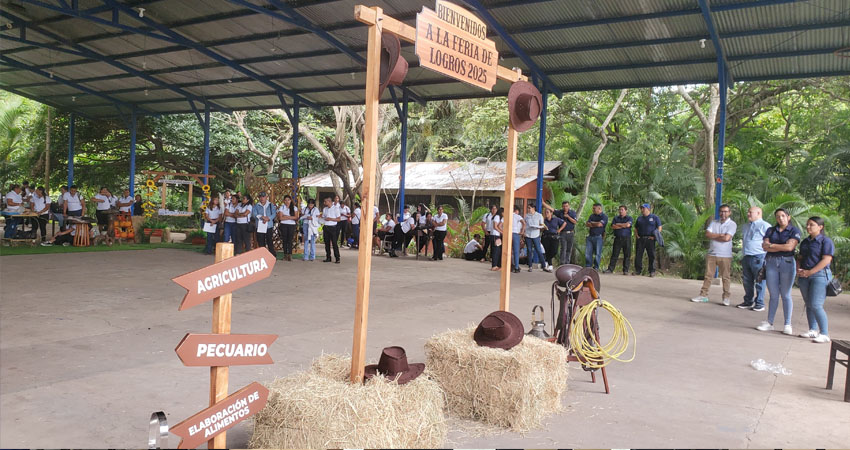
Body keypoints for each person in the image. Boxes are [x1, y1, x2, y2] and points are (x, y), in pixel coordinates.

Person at [756, 208, 801, 335]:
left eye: (783, 216)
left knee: (786, 294)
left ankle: (787, 323)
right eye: (778, 216)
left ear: (788, 217)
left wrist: (772, 245)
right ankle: (770, 322)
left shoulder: (794, 231)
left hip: (786, 262)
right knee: (773, 294)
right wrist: (776, 247)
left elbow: (790, 247)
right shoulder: (771, 230)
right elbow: (765, 246)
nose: (780, 218)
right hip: (771, 262)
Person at [796, 216, 835, 343]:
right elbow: (800, 257)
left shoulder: (825, 241)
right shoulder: (805, 242)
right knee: (808, 304)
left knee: (816, 304)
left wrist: (810, 272)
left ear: (820, 227)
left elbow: (826, 259)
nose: (808, 227)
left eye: (811, 225)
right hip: (804, 276)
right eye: (807, 224)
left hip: (820, 276)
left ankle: (824, 333)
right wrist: (799, 270)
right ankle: (812, 329)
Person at [691, 204, 737, 305]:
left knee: (725, 277)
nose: (723, 213)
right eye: (721, 211)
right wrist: (720, 235)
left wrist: (714, 236)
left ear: (729, 213)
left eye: (725, 211)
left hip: (725, 255)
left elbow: (727, 238)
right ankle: (703, 295)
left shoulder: (732, 224)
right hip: (712, 253)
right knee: (708, 276)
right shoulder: (714, 222)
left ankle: (726, 297)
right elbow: (707, 234)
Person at [737, 206, 770, 311]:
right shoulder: (746, 226)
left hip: (759, 256)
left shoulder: (765, 226)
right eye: (748, 212)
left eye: (750, 212)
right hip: (747, 256)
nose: (748, 214)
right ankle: (748, 301)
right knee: (747, 281)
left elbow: (770, 242)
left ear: (759, 213)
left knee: (760, 281)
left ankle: (759, 303)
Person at [544, 200, 577, 265]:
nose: (565, 207)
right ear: (562, 207)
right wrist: (543, 203)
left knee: (569, 249)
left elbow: (575, 222)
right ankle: (562, 263)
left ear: (569, 206)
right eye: (564, 206)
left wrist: (568, 217)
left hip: (571, 232)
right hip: (563, 233)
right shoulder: (560, 213)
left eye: (566, 206)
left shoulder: (572, 213)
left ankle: (567, 263)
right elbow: (551, 209)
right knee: (563, 248)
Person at [633, 203, 662, 277]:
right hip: (641, 239)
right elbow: (635, 228)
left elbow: (659, 227)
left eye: (643, 208)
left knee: (651, 255)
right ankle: (638, 270)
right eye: (641, 208)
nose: (642, 210)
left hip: (650, 239)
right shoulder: (639, 218)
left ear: (648, 209)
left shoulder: (655, 217)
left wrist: (655, 237)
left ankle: (652, 271)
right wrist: (637, 236)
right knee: (638, 255)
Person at [605, 205, 633, 274]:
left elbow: (628, 225)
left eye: (622, 210)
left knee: (627, 255)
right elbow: (613, 226)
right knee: (615, 254)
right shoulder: (615, 218)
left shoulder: (629, 218)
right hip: (617, 238)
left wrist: (619, 225)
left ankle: (625, 270)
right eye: (619, 210)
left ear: (626, 211)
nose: (620, 211)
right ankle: (610, 269)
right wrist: (623, 225)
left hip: (627, 239)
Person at [524, 203, 548, 272]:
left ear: (533, 208)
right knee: (529, 250)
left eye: (529, 208)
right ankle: (530, 266)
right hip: (528, 234)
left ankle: (543, 266)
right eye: (528, 208)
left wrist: (537, 227)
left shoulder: (539, 215)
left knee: (538, 250)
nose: (528, 209)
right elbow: (524, 224)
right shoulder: (526, 216)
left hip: (536, 234)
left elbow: (542, 225)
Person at [584, 203, 608, 270]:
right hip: (590, 236)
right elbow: (587, 224)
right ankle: (588, 267)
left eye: (594, 208)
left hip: (598, 237)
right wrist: (595, 223)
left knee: (597, 253)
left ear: (599, 208)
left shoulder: (604, 216)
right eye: (593, 208)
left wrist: (592, 223)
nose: (593, 210)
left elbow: (600, 224)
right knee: (588, 253)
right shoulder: (592, 216)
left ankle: (596, 267)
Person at [277, 195, 298, 261]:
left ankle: (290, 255)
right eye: (285, 200)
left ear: (290, 200)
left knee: (290, 240)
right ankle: (285, 254)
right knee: (284, 240)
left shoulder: (294, 208)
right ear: (284, 201)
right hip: (284, 225)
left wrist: (286, 216)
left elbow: (296, 217)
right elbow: (280, 218)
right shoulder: (281, 208)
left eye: (288, 200)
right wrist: (290, 217)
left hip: (292, 225)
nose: (287, 202)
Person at [320, 196, 341, 263]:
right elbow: (323, 217)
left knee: (334, 243)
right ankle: (328, 257)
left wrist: (331, 219)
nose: (324, 203)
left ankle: (337, 257)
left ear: (329, 201)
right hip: (326, 226)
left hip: (333, 227)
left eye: (325, 201)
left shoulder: (335, 209)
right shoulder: (325, 209)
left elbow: (339, 219)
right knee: (327, 243)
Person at [510, 205, 526, 273]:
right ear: (516, 210)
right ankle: (516, 267)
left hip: (508, 234)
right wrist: (522, 231)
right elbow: (524, 223)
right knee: (516, 251)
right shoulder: (517, 216)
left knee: (509, 251)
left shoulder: (507, 215)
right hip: (516, 234)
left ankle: (510, 266)